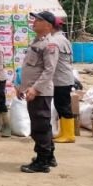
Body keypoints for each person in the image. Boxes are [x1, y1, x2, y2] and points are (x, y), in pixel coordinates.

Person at [19, 12, 59, 174]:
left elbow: (49, 70)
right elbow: (29, 68)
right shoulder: (36, 42)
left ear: (48, 26)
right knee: (43, 125)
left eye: (39, 20)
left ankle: (42, 162)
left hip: (40, 92)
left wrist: (35, 88)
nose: (34, 22)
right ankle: (49, 156)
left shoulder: (50, 45)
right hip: (33, 90)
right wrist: (21, 86)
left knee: (40, 127)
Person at [51, 17, 76, 144]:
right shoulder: (65, 40)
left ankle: (69, 134)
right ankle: (64, 132)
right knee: (61, 105)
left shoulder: (55, 40)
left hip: (61, 79)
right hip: (65, 77)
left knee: (63, 106)